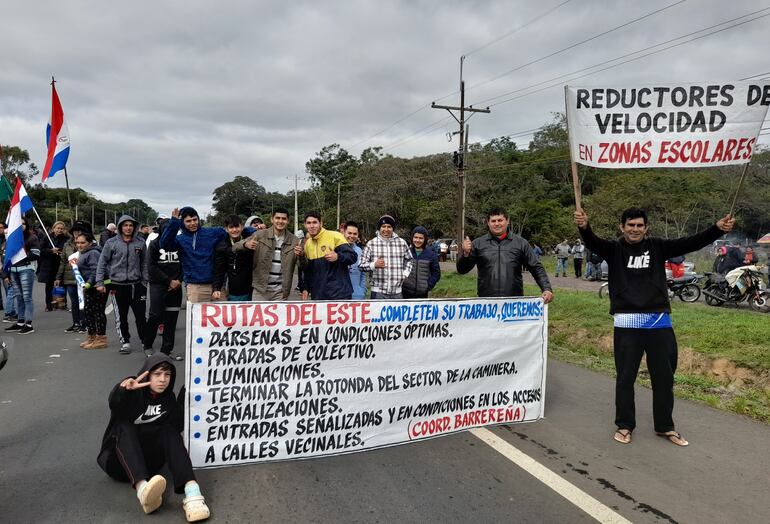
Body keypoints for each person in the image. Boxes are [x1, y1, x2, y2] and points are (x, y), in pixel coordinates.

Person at [575, 207, 734, 447]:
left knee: (664, 378)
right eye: (630, 225)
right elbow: (593, 242)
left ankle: (665, 427)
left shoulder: (658, 246)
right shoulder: (614, 249)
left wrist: (716, 229)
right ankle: (625, 425)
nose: (635, 229)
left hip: (659, 321)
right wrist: (584, 226)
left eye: (639, 225)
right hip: (627, 323)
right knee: (625, 378)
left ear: (646, 228)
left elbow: (691, 242)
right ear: (622, 227)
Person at [96, 354, 210, 521]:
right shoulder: (133, 393)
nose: (163, 379)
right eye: (157, 374)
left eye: (167, 374)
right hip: (118, 464)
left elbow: (177, 428)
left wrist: (185, 396)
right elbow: (115, 402)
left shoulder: (168, 399)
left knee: (169, 430)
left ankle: (193, 493)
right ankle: (143, 489)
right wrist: (124, 391)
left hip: (151, 466)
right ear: (147, 374)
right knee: (124, 425)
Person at [457, 208, 553, 304]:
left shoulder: (521, 243)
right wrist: (466, 254)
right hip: (486, 303)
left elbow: (536, 267)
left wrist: (546, 288)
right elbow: (462, 270)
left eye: (500, 220)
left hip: (514, 303)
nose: (497, 224)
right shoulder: (478, 243)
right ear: (488, 223)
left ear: (507, 221)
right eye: (493, 221)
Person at [96, 215, 149, 354]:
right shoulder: (111, 243)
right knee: (121, 316)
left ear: (134, 227)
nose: (128, 228)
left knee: (141, 316)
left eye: (131, 225)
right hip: (117, 285)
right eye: (125, 225)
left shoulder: (140, 242)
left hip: (137, 285)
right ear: (120, 227)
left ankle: (145, 342)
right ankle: (125, 342)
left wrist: (144, 281)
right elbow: (102, 263)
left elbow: (145, 263)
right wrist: (99, 282)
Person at [160, 207, 227, 303]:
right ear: (182, 222)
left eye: (195, 219)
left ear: (198, 219)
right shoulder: (180, 239)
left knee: (223, 318)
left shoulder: (213, 232)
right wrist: (174, 222)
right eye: (188, 221)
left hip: (218, 286)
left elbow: (234, 230)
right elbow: (164, 244)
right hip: (195, 287)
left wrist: (254, 231)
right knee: (198, 318)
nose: (192, 223)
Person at [235, 208, 300, 301]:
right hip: (260, 290)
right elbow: (235, 247)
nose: (280, 221)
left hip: (281, 292)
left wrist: (301, 255)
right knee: (258, 316)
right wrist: (245, 244)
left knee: (280, 316)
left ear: (288, 221)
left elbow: (303, 265)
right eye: (277, 218)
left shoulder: (295, 240)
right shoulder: (260, 235)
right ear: (272, 219)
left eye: (284, 219)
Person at [144, 219, 183, 359]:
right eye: (165, 230)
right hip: (158, 285)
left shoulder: (179, 244)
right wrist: (168, 281)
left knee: (171, 319)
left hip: (176, 286)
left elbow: (185, 264)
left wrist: (179, 280)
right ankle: (148, 345)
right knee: (155, 316)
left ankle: (167, 349)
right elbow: (151, 267)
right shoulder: (154, 245)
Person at [299, 211, 356, 300]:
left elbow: (352, 256)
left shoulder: (335, 236)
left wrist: (338, 256)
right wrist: (306, 288)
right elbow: (309, 271)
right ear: (305, 225)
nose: (312, 226)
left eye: (315, 222)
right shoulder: (308, 244)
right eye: (309, 223)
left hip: (339, 295)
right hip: (318, 295)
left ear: (321, 223)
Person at [359, 215, 413, 299]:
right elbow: (361, 265)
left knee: (396, 313)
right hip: (378, 292)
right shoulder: (371, 243)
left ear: (393, 228)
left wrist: (404, 274)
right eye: (383, 226)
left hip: (397, 292)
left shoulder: (402, 243)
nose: (386, 229)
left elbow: (409, 259)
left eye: (389, 226)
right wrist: (374, 265)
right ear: (379, 228)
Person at [4, 217, 40, 334]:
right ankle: (20, 322)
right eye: (18, 224)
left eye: (23, 224)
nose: (20, 226)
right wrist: (6, 273)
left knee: (26, 297)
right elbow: (6, 257)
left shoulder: (32, 237)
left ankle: (28, 324)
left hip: (26, 269)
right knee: (18, 296)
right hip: (13, 270)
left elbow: (36, 254)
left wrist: (21, 251)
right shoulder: (10, 238)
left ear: (26, 225)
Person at [56, 220, 92, 333]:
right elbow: (62, 261)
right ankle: (76, 323)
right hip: (70, 277)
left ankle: (85, 323)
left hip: (84, 278)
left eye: (79, 231)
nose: (77, 233)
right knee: (74, 302)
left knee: (85, 301)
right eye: (75, 231)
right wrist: (58, 277)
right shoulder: (67, 244)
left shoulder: (90, 244)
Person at [76, 233, 108, 349]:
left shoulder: (93, 253)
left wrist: (88, 283)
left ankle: (101, 338)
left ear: (90, 243)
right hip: (89, 286)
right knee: (89, 311)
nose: (79, 245)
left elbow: (96, 270)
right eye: (78, 242)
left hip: (97, 286)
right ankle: (92, 336)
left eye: (82, 242)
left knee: (98, 311)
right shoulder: (83, 253)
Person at [38, 220, 69, 312]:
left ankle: (62, 304)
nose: (60, 230)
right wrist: (51, 251)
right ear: (53, 228)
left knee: (62, 286)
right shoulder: (46, 238)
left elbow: (69, 251)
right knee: (49, 286)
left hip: (60, 265)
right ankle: (49, 305)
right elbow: (40, 250)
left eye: (62, 229)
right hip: (49, 266)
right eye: (58, 228)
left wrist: (61, 252)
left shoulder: (67, 239)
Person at [402, 226, 441, 299]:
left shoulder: (431, 254)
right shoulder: (406, 252)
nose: (417, 240)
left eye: (421, 238)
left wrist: (428, 285)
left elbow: (436, 273)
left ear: (425, 239)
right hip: (405, 293)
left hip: (422, 295)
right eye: (415, 237)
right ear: (412, 238)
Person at [343, 221, 367, 299]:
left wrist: (362, 290)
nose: (352, 236)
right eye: (349, 233)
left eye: (355, 234)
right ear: (344, 232)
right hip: (340, 295)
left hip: (357, 295)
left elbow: (362, 273)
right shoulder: (336, 250)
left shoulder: (359, 251)